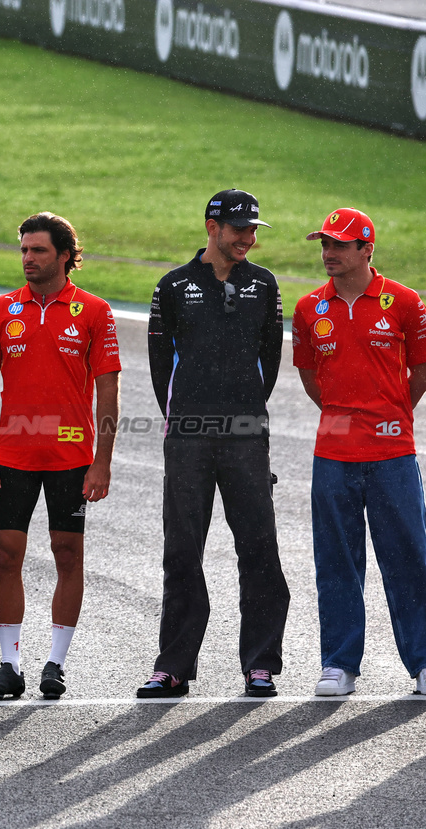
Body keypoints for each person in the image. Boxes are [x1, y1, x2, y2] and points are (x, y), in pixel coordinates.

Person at [140, 189, 289, 699]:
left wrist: (243, 409)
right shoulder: (174, 286)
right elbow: (161, 367)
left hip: (247, 436)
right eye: (238, 229)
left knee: (259, 549)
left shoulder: (265, 285)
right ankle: (174, 666)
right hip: (187, 436)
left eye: (253, 229)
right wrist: (186, 417)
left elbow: (269, 358)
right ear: (212, 227)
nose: (248, 238)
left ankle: (261, 664)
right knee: (182, 551)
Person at [0, 213, 121, 700]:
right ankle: (9, 665)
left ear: (64, 255)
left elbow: (108, 390)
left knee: (68, 555)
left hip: (72, 457)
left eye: (37, 250)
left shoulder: (95, 311)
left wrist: (102, 460)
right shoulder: (0, 310)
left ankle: (55, 664)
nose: (27, 259)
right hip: (11, 455)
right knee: (6, 555)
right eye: (23, 250)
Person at [292, 208, 426, 698]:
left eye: (339, 245)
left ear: (366, 249)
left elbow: (421, 369)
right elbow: (310, 377)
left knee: (409, 556)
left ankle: (424, 662)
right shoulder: (308, 308)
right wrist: (345, 417)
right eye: (324, 244)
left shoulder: (406, 302)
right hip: (333, 453)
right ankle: (339, 664)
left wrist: (389, 412)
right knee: (336, 559)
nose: (328, 253)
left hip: (392, 451)